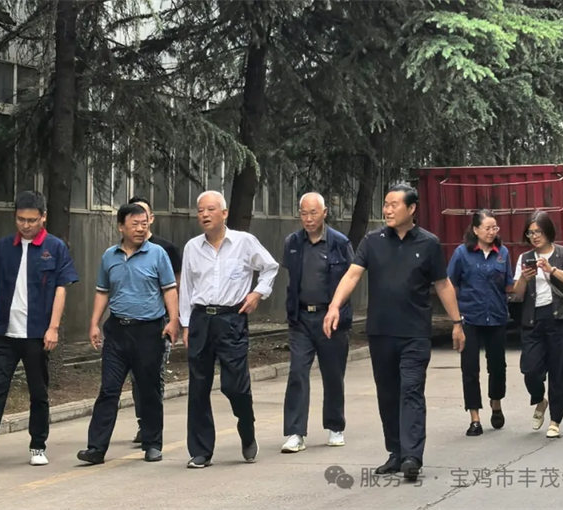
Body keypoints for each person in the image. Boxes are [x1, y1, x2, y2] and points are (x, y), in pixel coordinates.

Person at [322, 183, 466, 483]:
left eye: (393, 204)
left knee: (411, 390)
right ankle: (396, 452)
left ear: (411, 209)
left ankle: (412, 456)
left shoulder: (429, 243)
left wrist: (457, 322)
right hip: (381, 332)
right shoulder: (372, 241)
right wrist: (334, 305)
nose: (387, 210)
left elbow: (443, 284)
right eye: (385, 204)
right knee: (388, 394)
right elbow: (353, 274)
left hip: (415, 333)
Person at [0, 191, 78, 467]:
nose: (26, 225)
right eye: (21, 219)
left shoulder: (55, 247)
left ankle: (38, 446)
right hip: (4, 333)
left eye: (32, 220)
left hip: (36, 334)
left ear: (43, 217)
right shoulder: (4, 247)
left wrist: (53, 328)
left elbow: (61, 289)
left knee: (38, 392)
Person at [179, 190, 279, 468]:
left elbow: (270, 267)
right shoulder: (192, 248)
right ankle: (201, 450)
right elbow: (186, 288)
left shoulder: (244, 242)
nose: (205, 215)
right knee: (198, 385)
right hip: (201, 319)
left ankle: (246, 427)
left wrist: (258, 293)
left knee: (234, 385)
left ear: (224, 213)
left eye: (210, 209)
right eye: (200, 210)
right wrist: (186, 324)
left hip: (231, 319)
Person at [77, 203, 179, 464]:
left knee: (148, 390)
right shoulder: (109, 256)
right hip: (117, 332)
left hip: (149, 332)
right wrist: (94, 323)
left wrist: (173, 321)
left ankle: (152, 443)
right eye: (135, 224)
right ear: (121, 226)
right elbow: (102, 292)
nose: (141, 229)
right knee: (109, 390)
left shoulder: (157, 254)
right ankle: (96, 448)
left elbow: (169, 289)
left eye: (144, 223)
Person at [281, 192, 353, 453]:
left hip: (330, 318)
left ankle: (335, 426)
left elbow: (351, 278)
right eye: (304, 213)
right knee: (297, 373)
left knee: (333, 374)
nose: (308, 218)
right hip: (301, 318)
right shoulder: (292, 242)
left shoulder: (339, 243)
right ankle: (295, 432)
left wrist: (338, 311)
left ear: (324, 213)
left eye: (313, 213)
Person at [512, 210, 563, 439]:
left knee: (559, 371)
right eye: (530, 233)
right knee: (530, 369)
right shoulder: (524, 258)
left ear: (548, 232)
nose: (534, 236)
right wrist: (524, 278)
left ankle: (555, 420)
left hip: (558, 318)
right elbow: (517, 293)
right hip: (532, 319)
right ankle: (539, 399)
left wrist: (551, 270)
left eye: (538, 232)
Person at [446, 210, 513, 437]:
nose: (492, 232)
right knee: (470, 368)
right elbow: (450, 285)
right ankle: (474, 417)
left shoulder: (503, 253)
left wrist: (525, 279)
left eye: (495, 228)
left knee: (497, 366)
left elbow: (509, 285)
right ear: (475, 230)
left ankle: (496, 402)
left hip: (496, 317)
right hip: (470, 318)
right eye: (487, 228)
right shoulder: (462, 253)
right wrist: (455, 319)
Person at [128, 196, 182, 444]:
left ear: (151, 218)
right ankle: (143, 422)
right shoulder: (123, 249)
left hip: (159, 321)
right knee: (135, 376)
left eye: (144, 215)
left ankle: (152, 425)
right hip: (131, 324)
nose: (140, 222)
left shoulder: (166, 249)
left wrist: (175, 318)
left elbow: (176, 285)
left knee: (154, 373)